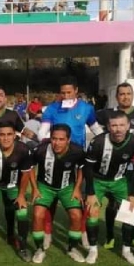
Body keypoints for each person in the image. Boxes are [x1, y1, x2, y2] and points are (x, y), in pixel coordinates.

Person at [38, 76, 103, 249]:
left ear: (76, 91)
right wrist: (52, 143)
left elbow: (96, 129)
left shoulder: (87, 108)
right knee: (50, 199)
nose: (66, 95)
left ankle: (82, 233)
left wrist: (104, 142)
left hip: (79, 159)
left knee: (79, 198)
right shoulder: (52, 109)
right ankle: (48, 233)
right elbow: (41, 133)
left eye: (69, 92)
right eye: (62, 92)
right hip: (56, 157)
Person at [96, 82, 134, 250]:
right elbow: (92, 126)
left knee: (133, 203)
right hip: (114, 169)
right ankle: (109, 236)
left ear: (133, 95)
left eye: (128, 93)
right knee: (113, 204)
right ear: (116, 97)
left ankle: (132, 236)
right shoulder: (107, 114)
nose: (125, 96)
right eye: (122, 94)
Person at [84, 111, 134, 265]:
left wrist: (133, 193)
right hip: (98, 181)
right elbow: (88, 168)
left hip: (119, 181)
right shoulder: (97, 142)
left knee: (129, 213)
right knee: (92, 213)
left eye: (122, 125)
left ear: (128, 126)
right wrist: (90, 192)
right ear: (108, 127)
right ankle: (92, 250)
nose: (118, 129)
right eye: (114, 125)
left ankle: (126, 250)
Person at [24, 124, 86, 264]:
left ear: (68, 140)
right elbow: (30, 168)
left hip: (67, 187)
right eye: (54, 138)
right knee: (37, 214)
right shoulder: (40, 150)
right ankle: (39, 249)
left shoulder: (77, 151)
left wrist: (77, 188)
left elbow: (81, 169)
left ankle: (72, 248)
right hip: (45, 187)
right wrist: (34, 188)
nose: (57, 143)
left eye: (61, 139)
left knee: (76, 215)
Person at [0, 122, 33, 262]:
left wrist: (22, 195)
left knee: (22, 211)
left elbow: (26, 175)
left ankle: (22, 247)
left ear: (15, 135)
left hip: (14, 186)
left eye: (9, 134)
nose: (6, 138)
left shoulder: (23, 149)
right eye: (2, 135)